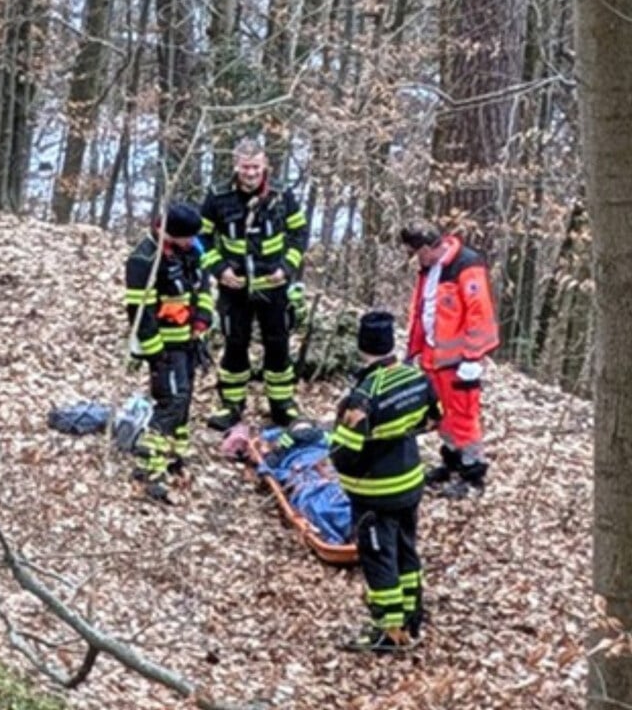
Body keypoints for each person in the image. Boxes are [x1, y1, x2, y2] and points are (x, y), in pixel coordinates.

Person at [331, 311, 442, 652]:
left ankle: (387, 631)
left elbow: (346, 452)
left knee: (379, 558)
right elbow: (434, 419)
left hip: (374, 494)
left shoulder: (363, 396)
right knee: (407, 550)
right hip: (409, 482)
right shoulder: (416, 378)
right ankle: (412, 615)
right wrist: (398, 432)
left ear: (361, 346)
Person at [199, 139, 309, 430]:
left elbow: (299, 234)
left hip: (274, 287)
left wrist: (286, 268)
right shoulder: (217, 196)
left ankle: (282, 404)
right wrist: (219, 269)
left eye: (256, 167)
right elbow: (201, 237)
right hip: (234, 287)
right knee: (235, 344)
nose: (250, 173)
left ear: (265, 167)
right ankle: (232, 405)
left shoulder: (283, 196)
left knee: (278, 345)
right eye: (245, 167)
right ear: (236, 166)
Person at [399, 220, 500, 498]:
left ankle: (472, 473)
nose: (416, 259)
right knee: (441, 414)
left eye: (417, 253)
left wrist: (472, 357)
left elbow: (480, 313)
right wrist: (414, 351)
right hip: (435, 356)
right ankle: (452, 463)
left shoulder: (466, 265)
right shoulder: (430, 268)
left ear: (430, 248)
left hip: (459, 360)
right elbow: (424, 310)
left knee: (464, 417)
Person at [124, 202, 215, 503]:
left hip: (189, 342)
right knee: (171, 402)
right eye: (186, 238)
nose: (192, 242)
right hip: (164, 347)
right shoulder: (143, 259)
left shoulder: (192, 250)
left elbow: (203, 287)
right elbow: (139, 311)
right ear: (169, 233)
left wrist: (202, 319)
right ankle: (150, 470)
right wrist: (155, 353)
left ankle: (175, 457)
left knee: (185, 401)